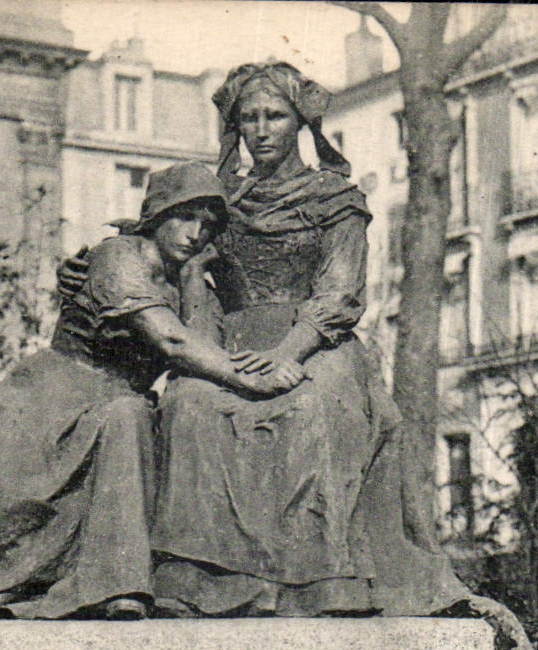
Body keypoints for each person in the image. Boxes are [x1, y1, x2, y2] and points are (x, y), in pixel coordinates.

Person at [0, 163, 298, 621]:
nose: (195, 233)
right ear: (158, 214)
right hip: (50, 402)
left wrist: (195, 275)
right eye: (184, 217)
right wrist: (249, 377)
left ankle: (119, 586)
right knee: (7, 515)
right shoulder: (118, 257)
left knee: (130, 416)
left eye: (207, 225)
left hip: (118, 409)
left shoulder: (189, 283)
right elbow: (171, 340)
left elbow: (204, 346)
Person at [146, 62, 470, 617]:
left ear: (300, 121)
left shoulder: (335, 198)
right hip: (231, 343)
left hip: (318, 343)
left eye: (275, 116)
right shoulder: (220, 203)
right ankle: (198, 579)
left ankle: (321, 582)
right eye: (249, 118)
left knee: (313, 407)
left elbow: (340, 291)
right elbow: (182, 272)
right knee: (188, 405)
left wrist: (286, 354)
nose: (261, 130)